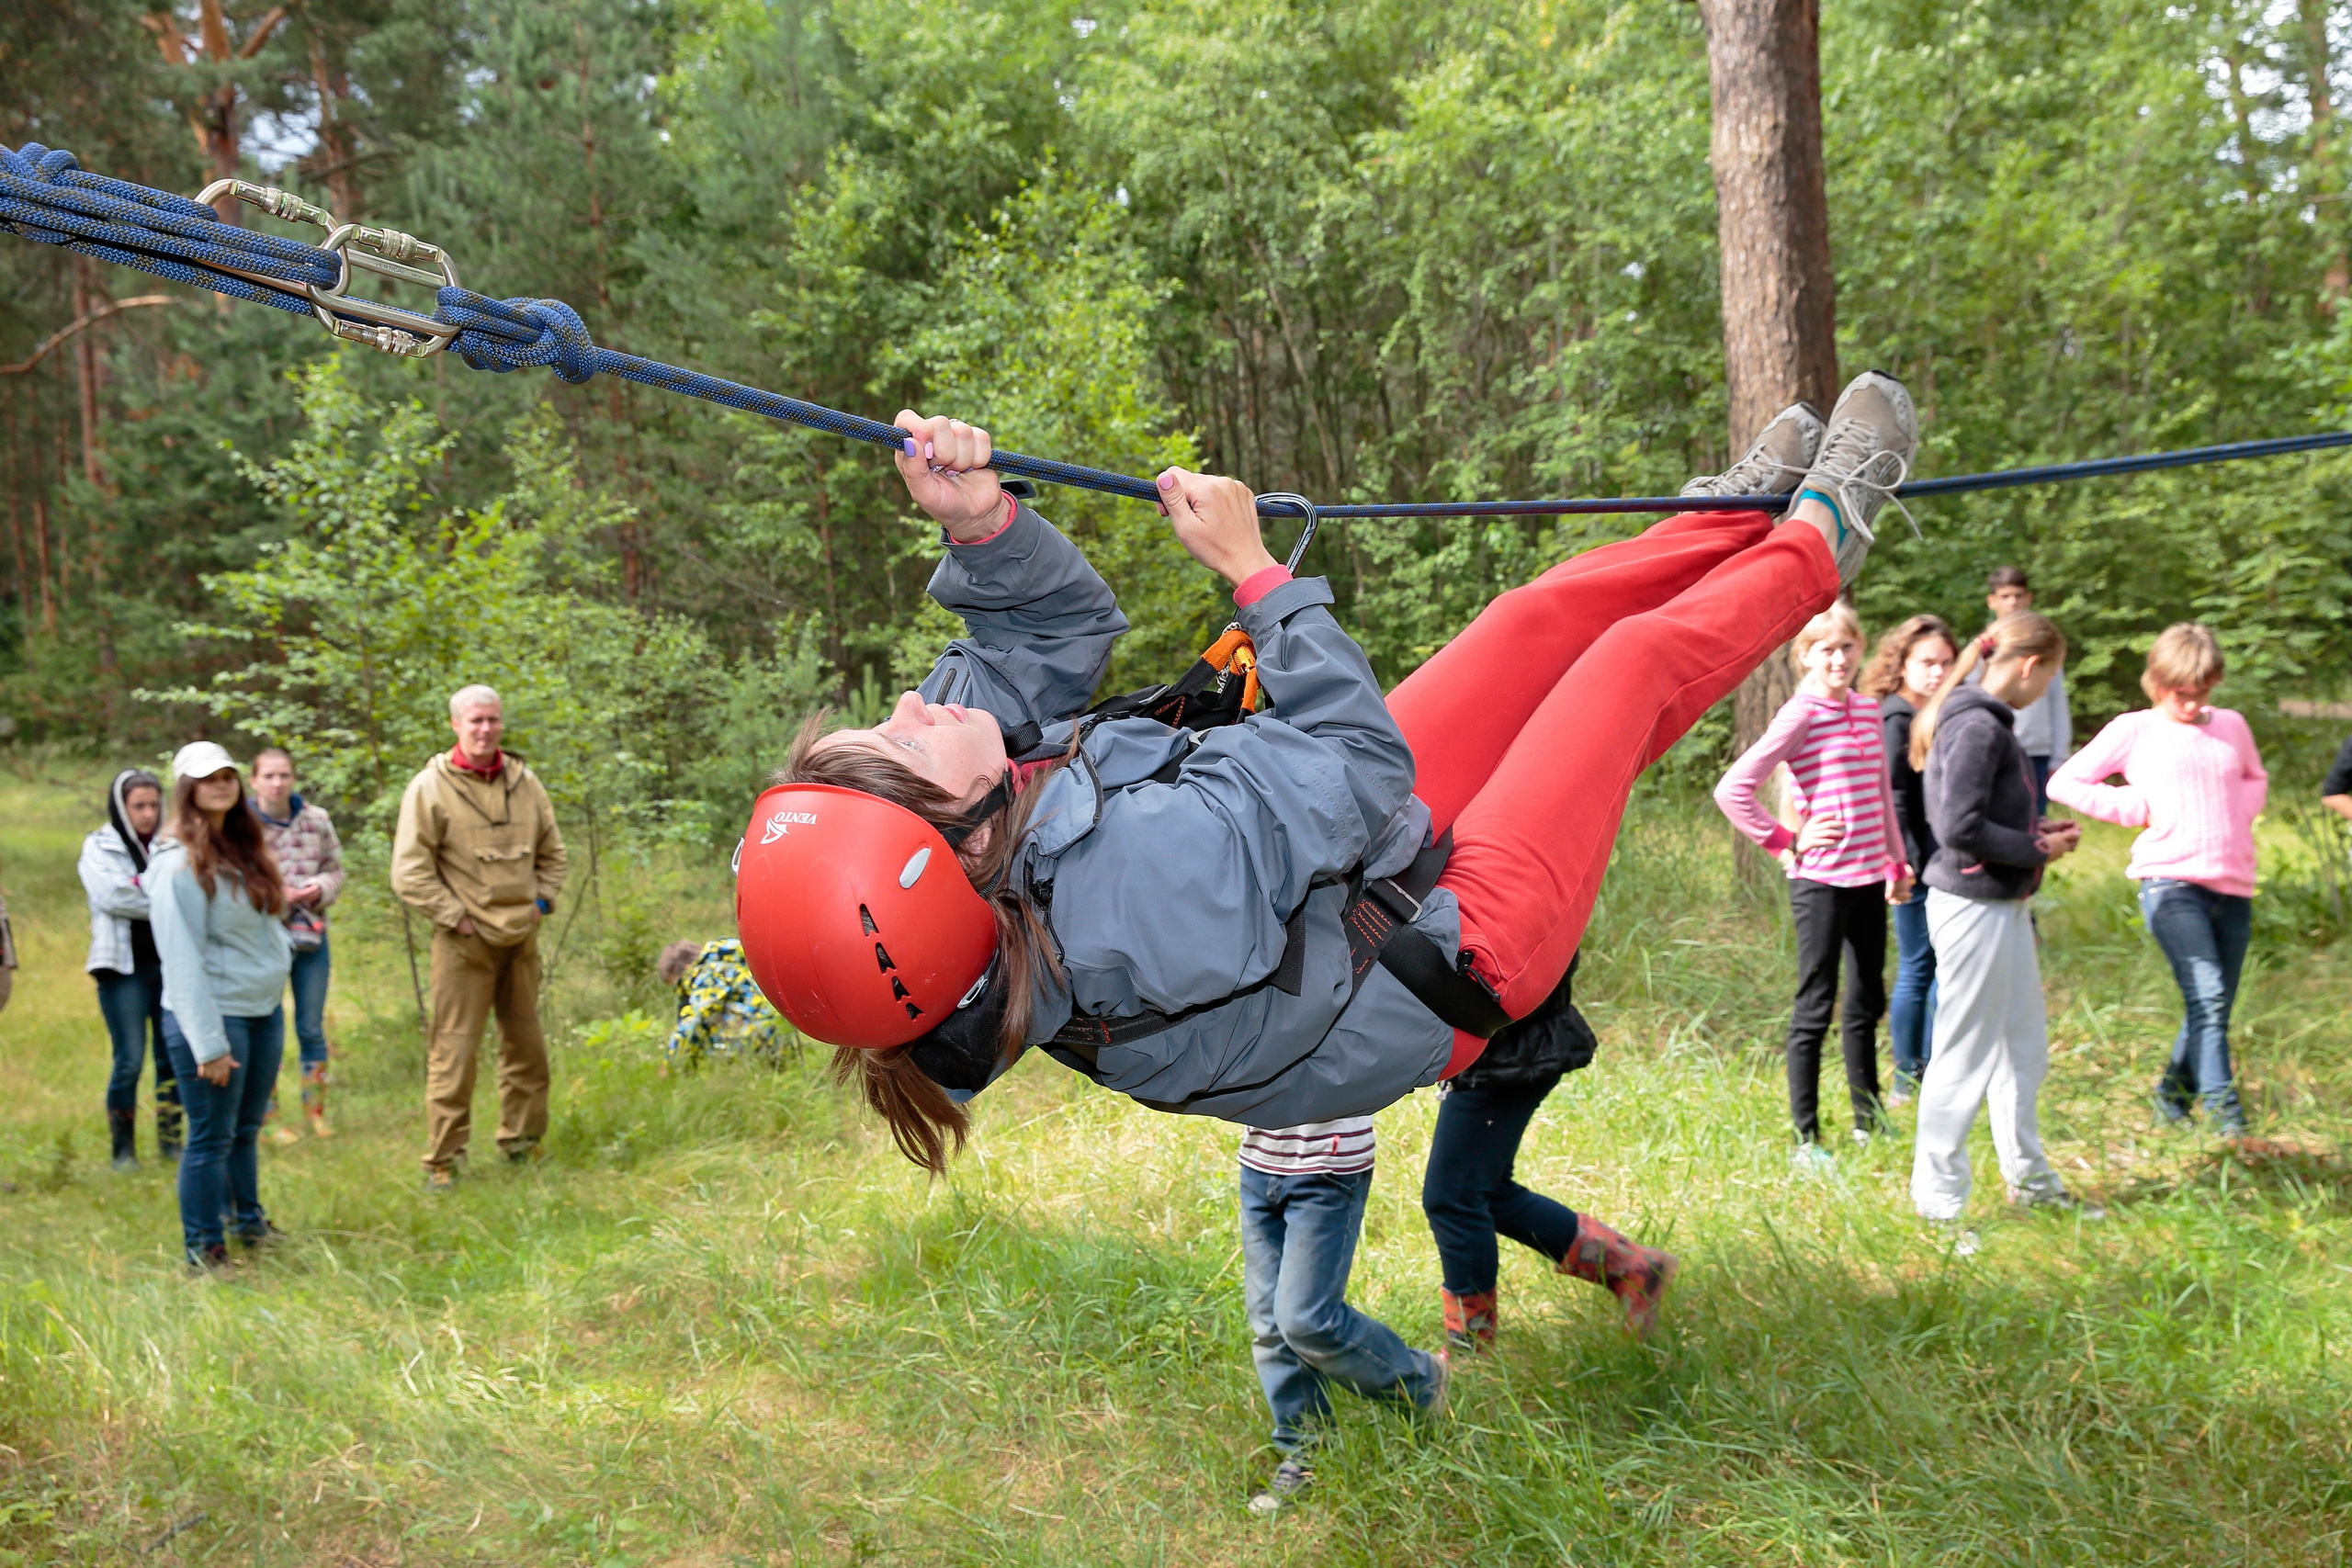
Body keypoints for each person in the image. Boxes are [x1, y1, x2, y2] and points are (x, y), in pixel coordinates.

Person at [734, 367, 1917, 1203]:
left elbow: (1044, 640)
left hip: (1356, 876)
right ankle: (1819, 534)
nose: (912, 703)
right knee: (1626, 669)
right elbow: (1355, 766)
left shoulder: (977, 837)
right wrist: (1255, 577)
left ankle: (1725, 523)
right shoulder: (1130, 904)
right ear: (957, 847)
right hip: (1450, 950)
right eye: (899, 745)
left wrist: (982, 527)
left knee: (1529, 621)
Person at [2049, 625, 2267, 1139]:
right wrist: (2132, 806)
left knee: (2211, 1004)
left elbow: (2254, 777)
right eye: (2180, 692)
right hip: (2170, 883)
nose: (2191, 703)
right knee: (2208, 996)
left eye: (2202, 691)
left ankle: (2171, 1101)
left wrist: (2239, 813)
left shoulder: (2232, 725)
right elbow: (2065, 782)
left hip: (2233, 884)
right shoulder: (2134, 729)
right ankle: (2228, 1121)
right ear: (2157, 681)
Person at [1906, 614, 2086, 1231]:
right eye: (2050, 676)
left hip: (2001, 904)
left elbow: (1980, 817)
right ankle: (1938, 1206)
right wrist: (2038, 849)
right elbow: (1957, 827)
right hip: (1972, 906)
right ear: (2031, 666)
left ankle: (2032, 1183)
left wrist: (2035, 830)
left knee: (2021, 1051)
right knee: (1963, 1055)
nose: (2046, 689)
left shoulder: (1983, 721)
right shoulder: (1978, 725)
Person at [1714, 602, 1910, 1161]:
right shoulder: (1800, 714)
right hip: (1820, 882)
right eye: (1826, 649)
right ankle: (1807, 1139)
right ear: (1805, 656)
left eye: (1847, 646)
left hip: (1869, 878)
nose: (1839, 658)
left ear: (1860, 648)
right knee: (1815, 1006)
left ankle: (1868, 1121)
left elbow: (1881, 795)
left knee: (1866, 1001)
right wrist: (1787, 840)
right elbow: (1733, 789)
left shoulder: (1868, 710)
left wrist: (1896, 863)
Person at [1418, 953, 1671, 1350]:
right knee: (1484, 1191)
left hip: (1507, 1042)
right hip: (1501, 1035)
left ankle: (1471, 1348)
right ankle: (1633, 1267)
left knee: (1454, 1198)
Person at [392, 685, 569, 1191]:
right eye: (475, 721)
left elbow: (553, 854)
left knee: (526, 1047)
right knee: (454, 1053)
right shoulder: (430, 787)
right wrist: (457, 917)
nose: (485, 729)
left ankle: (522, 1142)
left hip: (522, 938)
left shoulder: (524, 782)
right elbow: (409, 872)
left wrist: (540, 903)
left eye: (492, 719)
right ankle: (443, 1160)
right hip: (463, 945)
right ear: (456, 725)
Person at [1237, 1113, 1445, 1514]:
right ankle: (1306, 1447)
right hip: (1260, 1161)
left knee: (1308, 1321)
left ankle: (1423, 1381)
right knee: (1269, 1322)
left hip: (1328, 1167)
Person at [150, 742, 294, 1271]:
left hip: (261, 1010)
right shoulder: (177, 864)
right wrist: (208, 1044)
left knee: (245, 1129)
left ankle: (248, 1224)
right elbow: (181, 960)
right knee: (210, 1137)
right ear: (187, 788)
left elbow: (265, 926)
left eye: (228, 775)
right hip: (214, 1017)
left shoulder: (243, 848)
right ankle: (204, 1249)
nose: (221, 784)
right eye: (208, 778)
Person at [1861, 614, 1958, 1100]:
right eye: (1927, 662)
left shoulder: (1931, 712)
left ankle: (1933, 1069)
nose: (1937, 672)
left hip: (1940, 859)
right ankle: (1907, 1077)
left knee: (1937, 966)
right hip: (1916, 865)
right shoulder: (1896, 717)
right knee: (1919, 967)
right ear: (1901, 664)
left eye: (1946, 662)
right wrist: (1908, 865)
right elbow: (1894, 799)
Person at [80, 768, 181, 1168]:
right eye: (139, 806)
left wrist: (141, 886)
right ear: (121, 807)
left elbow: (186, 888)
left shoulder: (171, 844)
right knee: (130, 1059)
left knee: (171, 1057)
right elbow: (111, 896)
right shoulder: (98, 845)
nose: (147, 813)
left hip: (170, 965)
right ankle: (123, 1150)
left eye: (154, 805)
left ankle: (171, 1141)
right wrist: (164, 897)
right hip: (121, 969)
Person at [251, 748, 345, 1141]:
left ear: (293, 778)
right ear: (254, 781)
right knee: (265, 1024)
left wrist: (317, 889)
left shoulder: (316, 820)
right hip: (260, 937)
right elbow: (231, 878)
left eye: (284, 775)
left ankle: (315, 1114)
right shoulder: (241, 825)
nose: (277, 783)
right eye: (269, 776)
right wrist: (274, 894)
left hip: (311, 934)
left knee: (310, 1025)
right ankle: (268, 1118)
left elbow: (334, 868)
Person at [1980, 567, 2072, 812]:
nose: (2012, 602)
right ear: (1992, 601)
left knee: (2034, 822)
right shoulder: (1983, 648)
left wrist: (2058, 756)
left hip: (2036, 753)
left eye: (2018, 596)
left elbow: (2058, 703)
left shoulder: (2044, 646)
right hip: (1993, 749)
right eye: (2005, 596)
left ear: (2029, 598)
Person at [658, 938, 792, 1067]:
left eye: (679, 984)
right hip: (781, 1030)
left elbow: (693, 1021)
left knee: (706, 1022)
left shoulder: (709, 973)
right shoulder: (732, 956)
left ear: (687, 968)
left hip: (757, 1039)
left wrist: (669, 1065)